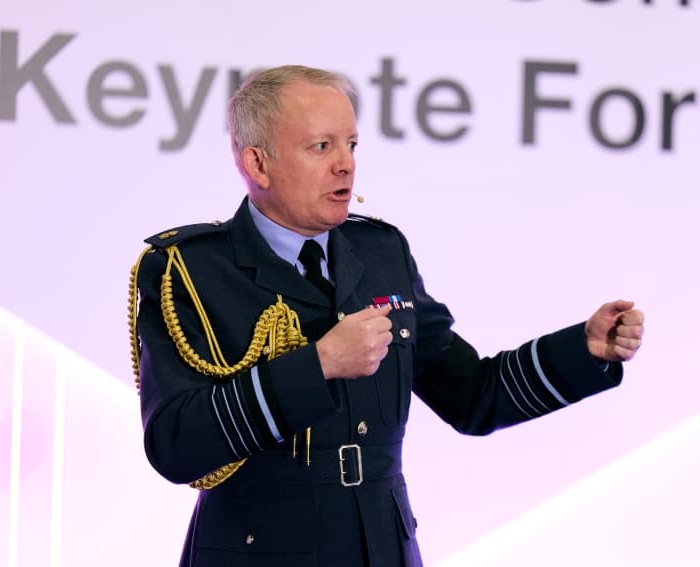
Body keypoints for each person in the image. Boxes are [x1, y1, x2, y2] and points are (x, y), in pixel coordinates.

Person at [128, 64, 645, 567]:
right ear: (257, 164)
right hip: (259, 548)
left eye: (351, 145)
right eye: (321, 146)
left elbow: (474, 395)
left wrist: (583, 350)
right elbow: (176, 446)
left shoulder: (380, 253)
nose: (346, 165)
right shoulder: (189, 271)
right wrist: (318, 365)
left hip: (380, 546)